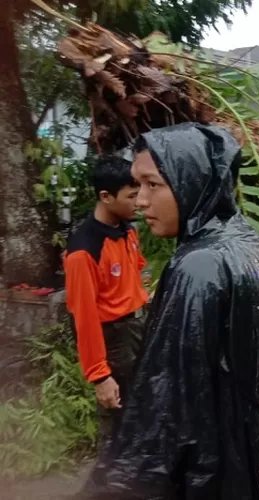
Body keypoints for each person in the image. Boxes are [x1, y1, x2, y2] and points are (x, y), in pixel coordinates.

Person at [82, 123, 259, 499]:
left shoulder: (199, 266)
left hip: (230, 466)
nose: (140, 201)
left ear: (192, 181)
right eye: (137, 186)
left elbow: (164, 405)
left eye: (153, 185)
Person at [63, 155, 148, 451]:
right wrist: (100, 375)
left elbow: (136, 275)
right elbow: (83, 317)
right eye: (132, 195)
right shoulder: (84, 252)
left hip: (139, 326)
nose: (139, 201)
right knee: (118, 422)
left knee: (145, 413)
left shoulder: (127, 230)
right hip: (115, 338)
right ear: (106, 197)